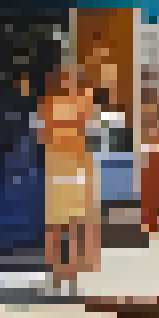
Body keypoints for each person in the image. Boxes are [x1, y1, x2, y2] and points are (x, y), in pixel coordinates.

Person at [37, 64, 99, 294]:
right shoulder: (49, 102)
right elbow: (46, 135)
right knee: (55, 224)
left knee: (74, 223)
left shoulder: (85, 100)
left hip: (76, 166)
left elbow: (87, 133)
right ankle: (56, 273)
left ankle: (70, 274)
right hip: (58, 166)